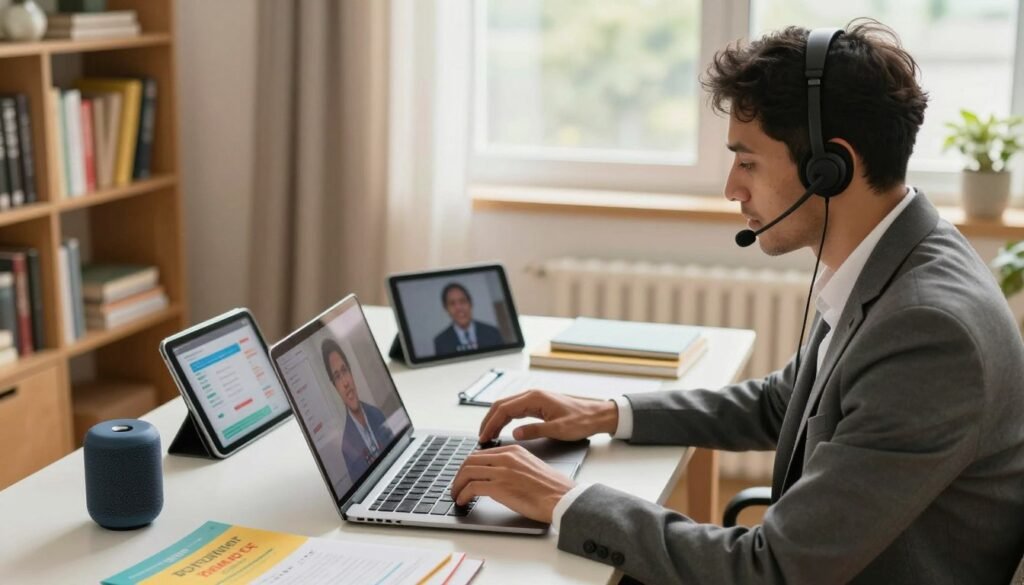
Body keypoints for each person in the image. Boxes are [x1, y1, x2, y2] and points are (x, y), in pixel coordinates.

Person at [450, 20, 1024, 585]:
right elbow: (783, 403)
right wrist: (610, 412)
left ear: (829, 168)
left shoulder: (927, 331)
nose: (730, 187)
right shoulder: (901, 256)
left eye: (747, 161)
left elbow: (770, 569)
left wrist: (564, 500)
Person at [321, 338, 394, 480]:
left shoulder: (377, 414)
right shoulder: (346, 446)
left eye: (345, 371)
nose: (345, 383)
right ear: (335, 386)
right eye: (337, 376)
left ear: (351, 373)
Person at [433, 282, 504, 354]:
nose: (459, 308)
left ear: (470, 303)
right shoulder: (440, 342)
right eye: (452, 303)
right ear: (446, 309)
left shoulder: (492, 333)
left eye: (462, 301)